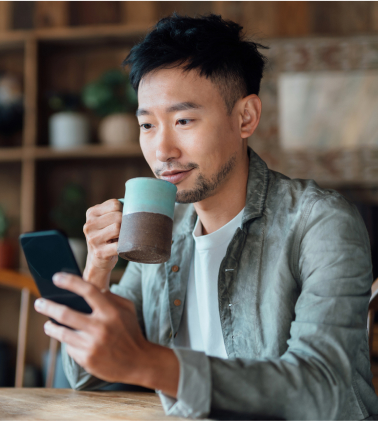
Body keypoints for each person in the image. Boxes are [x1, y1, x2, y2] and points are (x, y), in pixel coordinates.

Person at [34, 14, 378, 419]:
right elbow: (88, 378)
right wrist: (98, 268)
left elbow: (323, 388)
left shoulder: (320, 222)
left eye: (183, 120)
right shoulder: (164, 229)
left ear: (245, 117)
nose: (162, 150)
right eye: (147, 124)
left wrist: (149, 363)